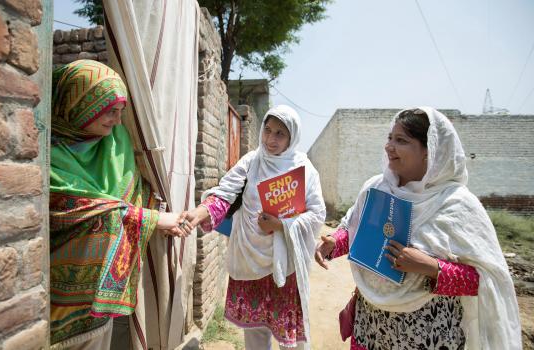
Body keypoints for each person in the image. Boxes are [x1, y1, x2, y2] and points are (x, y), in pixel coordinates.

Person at [315, 107, 522, 350]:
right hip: (370, 327)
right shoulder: (376, 188)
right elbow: (358, 233)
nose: (389, 146)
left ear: (428, 151)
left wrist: (430, 267)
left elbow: (485, 281)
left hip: (427, 335)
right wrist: (334, 243)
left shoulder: (456, 204)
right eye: (389, 138)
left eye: (401, 140)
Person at [49, 60, 192, 349]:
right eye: (109, 111)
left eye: (120, 111)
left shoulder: (116, 142)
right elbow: (71, 207)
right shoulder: (44, 150)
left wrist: (162, 217)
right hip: (55, 300)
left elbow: (131, 195)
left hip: (100, 305)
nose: (116, 119)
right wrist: (151, 219)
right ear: (79, 106)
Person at [186, 105, 326, 349]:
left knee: (289, 338)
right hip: (250, 259)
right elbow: (225, 193)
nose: (271, 139)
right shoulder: (252, 161)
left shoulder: (304, 170)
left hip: (285, 265)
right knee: (255, 332)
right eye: (268, 130)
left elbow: (317, 215)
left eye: (280, 134)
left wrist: (282, 225)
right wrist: (201, 212)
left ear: (292, 136)